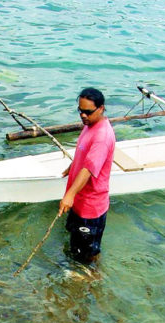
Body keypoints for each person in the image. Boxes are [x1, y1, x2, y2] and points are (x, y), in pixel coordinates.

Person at [58, 87, 116, 262]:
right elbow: (84, 154)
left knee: (88, 254)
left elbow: (89, 169)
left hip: (90, 206)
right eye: (80, 111)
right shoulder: (89, 125)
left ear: (101, 109)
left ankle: (93, 281)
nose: (83, 116)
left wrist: (69, 195)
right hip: (79, 200)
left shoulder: (102, 136)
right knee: (75, 246)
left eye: (88, 112)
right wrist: (72, 165)